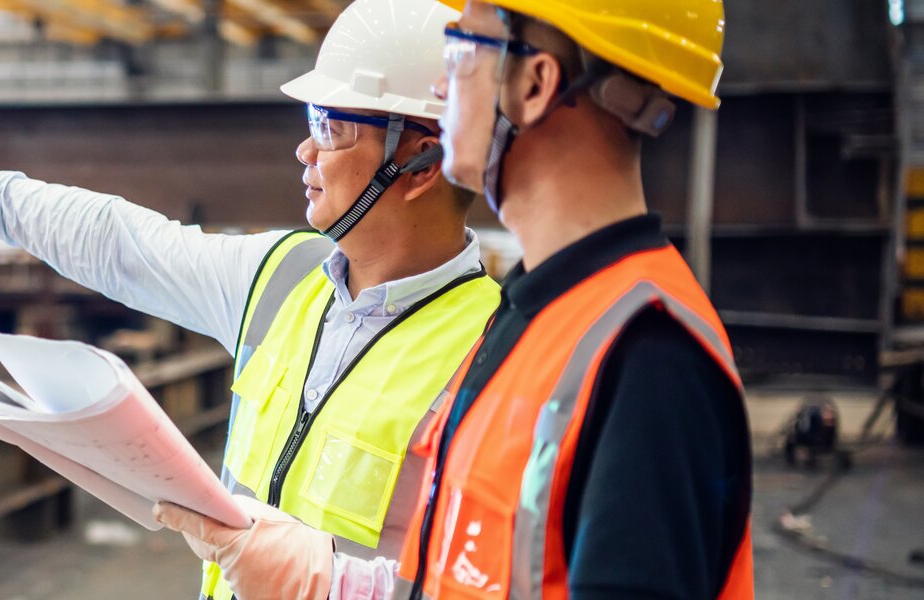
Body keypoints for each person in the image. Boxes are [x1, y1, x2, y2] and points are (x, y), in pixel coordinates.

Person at [0, 1, 496, 598]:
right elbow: (119, 241)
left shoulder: (492, 351)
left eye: (329, 129)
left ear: (421, 161)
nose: (304, 151)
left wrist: (319, 580)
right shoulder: (279, 277)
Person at [154, 0, 756, 598]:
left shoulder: (647, 358)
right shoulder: (528, 317)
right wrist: (340, 584)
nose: (442, 83)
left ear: (536, 83)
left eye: (463, 48)